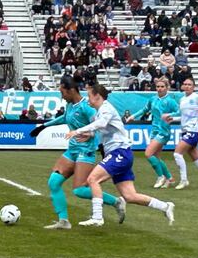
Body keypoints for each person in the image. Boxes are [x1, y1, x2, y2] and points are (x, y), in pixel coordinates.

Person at [65, 84, 175, 226]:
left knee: (92, 179)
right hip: (121, 153)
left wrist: (77, 131)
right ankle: (165, 206)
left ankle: (98, 217)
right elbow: (103, 128)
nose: (87, 99)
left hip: (120, 152)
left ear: (97, 96)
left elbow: (102, 123)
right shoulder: (100, 111)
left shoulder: (106, 108)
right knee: (129, 196)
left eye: (89, 95)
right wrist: (90, 134)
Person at [29, 76, 125, 230]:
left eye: (62, 92)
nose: (61, 96)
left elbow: (100, 125)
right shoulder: (70, 105)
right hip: (72, 150)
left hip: (85, 151)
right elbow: (65, 118)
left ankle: (116, 201)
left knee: (79, 190)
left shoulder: (86, 107)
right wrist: (44, 126)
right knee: (53, 182)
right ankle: (63, 221)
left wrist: (93, 136)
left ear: (71, 90)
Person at [162, 78, 198, 190]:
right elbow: (183, 117)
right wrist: (172, 118)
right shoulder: (182, 99)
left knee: (177, 154)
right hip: (185, 131)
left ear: (193, 87)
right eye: (185, 84)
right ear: (182, 86)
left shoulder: (197, 97)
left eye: (189, 84)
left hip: (193, 131)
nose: (187, 86)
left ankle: (184, 180)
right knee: (196, 158)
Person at [125, 78, 179, 188]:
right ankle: (170, 178)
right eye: (158, 86)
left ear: (167, 87)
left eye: (162, 87)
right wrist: (133, 116)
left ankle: (160, 176)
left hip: (164, 131)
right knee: (157, 157)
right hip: (154, 130)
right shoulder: (153, 99)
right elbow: (144, 110)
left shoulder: (170, 101)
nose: (159, 89)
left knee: (148, 153)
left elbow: (178, 111)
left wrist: (170, 116)